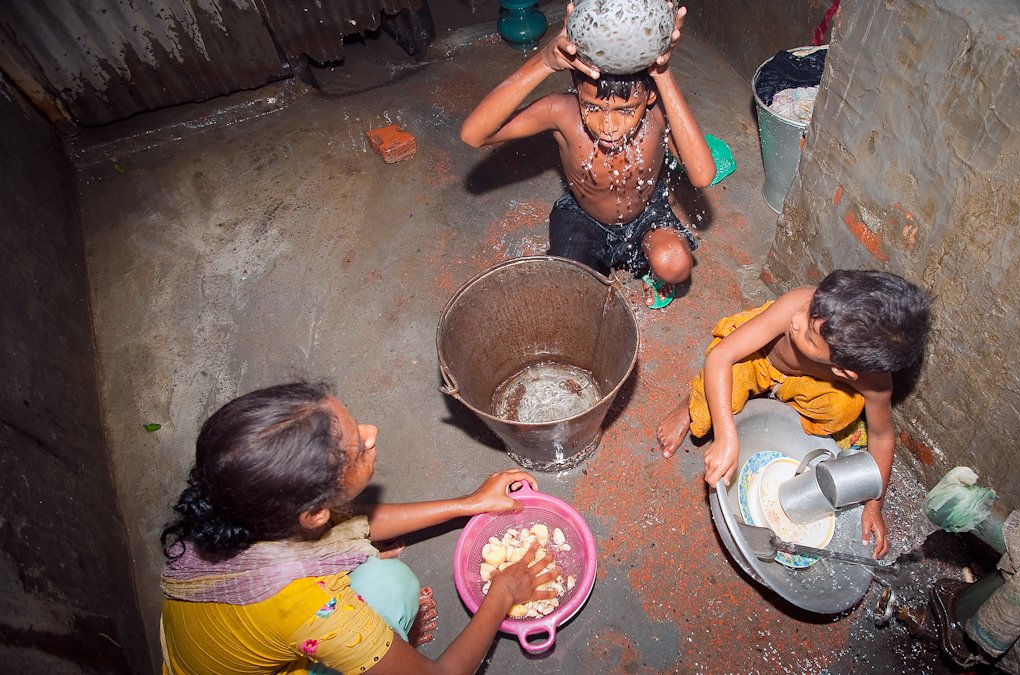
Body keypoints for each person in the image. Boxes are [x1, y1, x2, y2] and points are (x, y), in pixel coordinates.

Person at [159, 382, 558, 674]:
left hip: (221, 647)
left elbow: (346, 523)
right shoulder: (311, 608)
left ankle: (381, 650)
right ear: (314, 514)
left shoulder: (235, 502)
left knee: (384, 577)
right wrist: (503, 592)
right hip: (289, 639)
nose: (370, 433)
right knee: (393, 586)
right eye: (356, 449)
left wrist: (469, 504)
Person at [655, 270, 932, 557]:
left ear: (843, 371)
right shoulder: (799, 303)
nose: (797, 320)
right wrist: (726, 435)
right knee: (715, 400)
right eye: (812, 308)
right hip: (757, 358)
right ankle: (689, 404)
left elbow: (882, 437)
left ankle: (779, 416)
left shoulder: (873, 383)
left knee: (845, 408)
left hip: (804, 382)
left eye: (810, 336)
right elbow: (722, 356)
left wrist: (874, 505)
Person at [459, 2, 716, 309]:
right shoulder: (561, 112)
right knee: (569, 294)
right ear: (577, 90)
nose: (608, 126)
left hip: (646, 216)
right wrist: (544, 62)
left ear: (649, 97)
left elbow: (703, 175)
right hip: (583, 219)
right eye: (593, 108)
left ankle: (652, 272)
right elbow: (473, 134)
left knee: (674, 264)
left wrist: (663, 75)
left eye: (625, 111)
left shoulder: (658, 114)